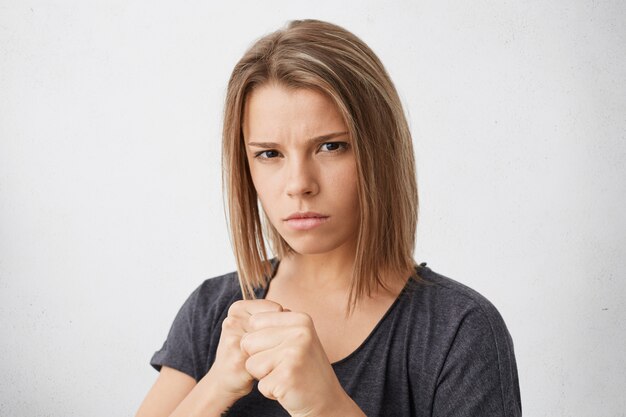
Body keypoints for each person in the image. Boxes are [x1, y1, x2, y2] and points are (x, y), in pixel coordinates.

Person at [135, 19, 522, 417]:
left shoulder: (459, 330)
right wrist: (215, 387)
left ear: (380, 152)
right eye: (269, 154)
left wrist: (327, 405)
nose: (299, 184)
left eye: (330, 146)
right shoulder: (212, 311)